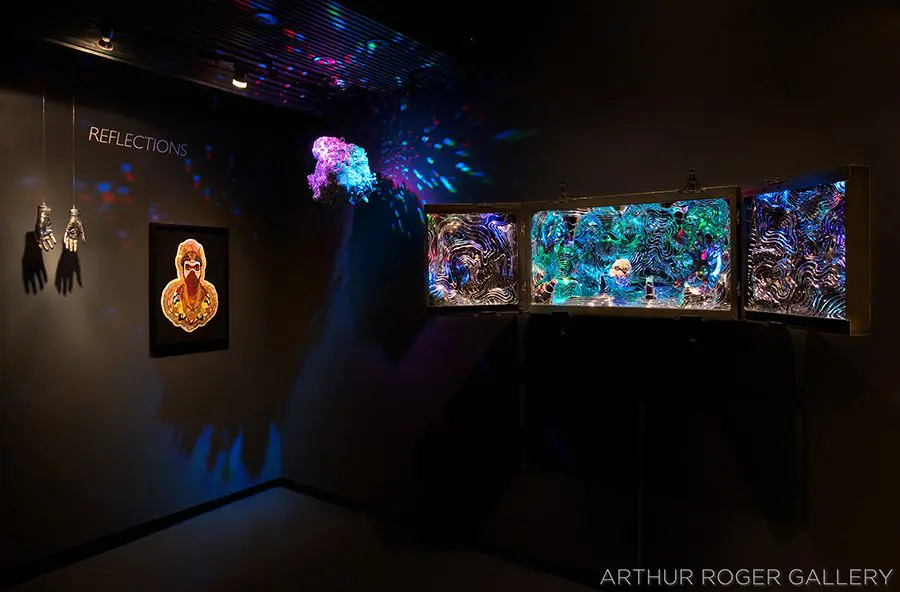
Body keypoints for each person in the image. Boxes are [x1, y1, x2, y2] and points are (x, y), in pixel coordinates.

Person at [161, 238, 219, 332]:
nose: (192, 273)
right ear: (182, 270)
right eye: (188, 268)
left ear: (201, 270)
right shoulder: (172, 296)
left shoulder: (209, 296)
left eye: (196, 268)